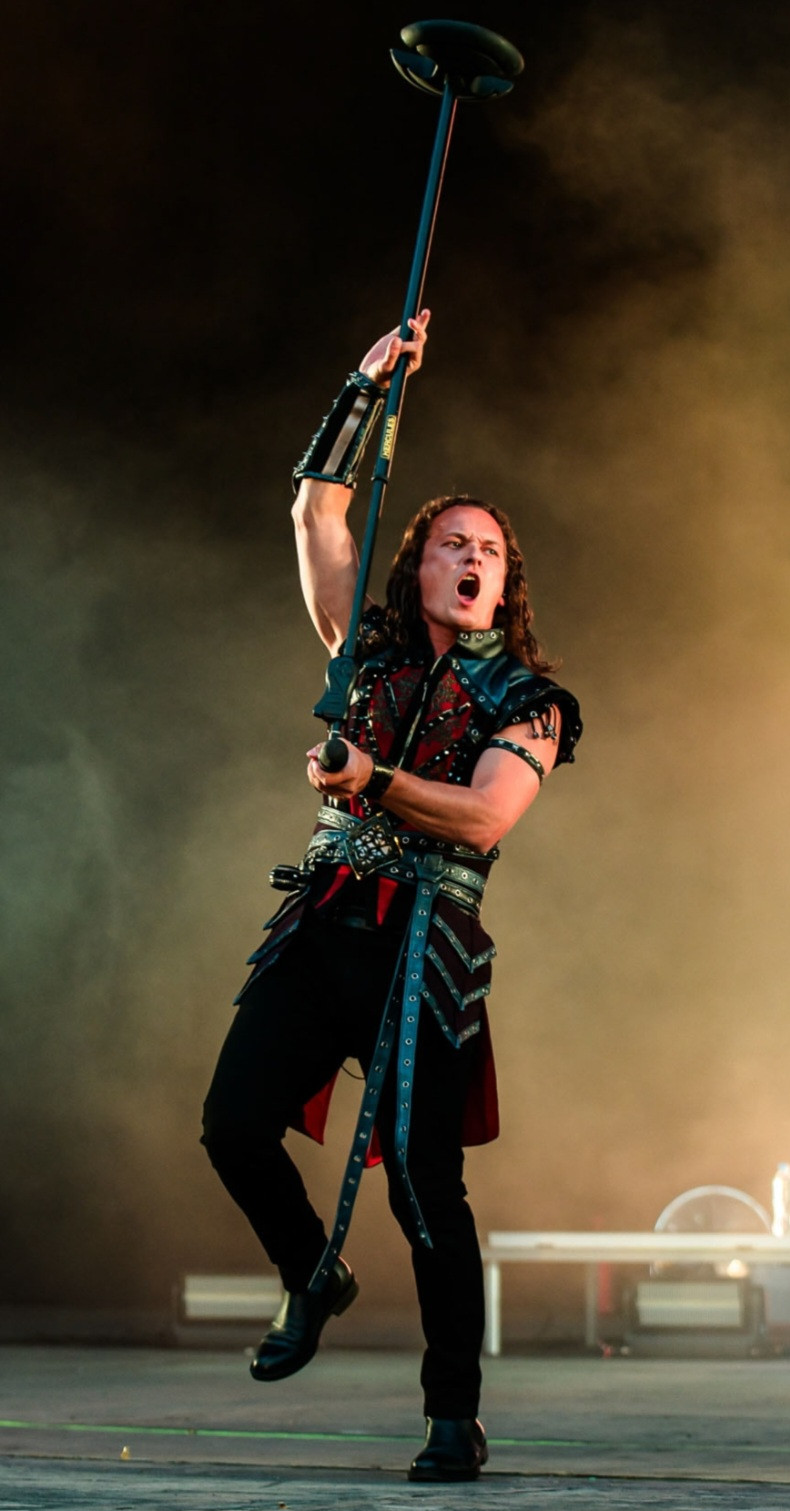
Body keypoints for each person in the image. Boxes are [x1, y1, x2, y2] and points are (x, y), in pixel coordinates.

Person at [202, 311, 582, 1482]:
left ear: (503, 582)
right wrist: (364, 386)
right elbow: (316, 512)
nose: (470, 558)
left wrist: (370, 778)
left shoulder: (531, 701)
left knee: (425, 1185)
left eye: (489, 551)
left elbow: (481, 816)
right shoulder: (362, 652)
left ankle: (451, 1412)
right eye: (448, 542)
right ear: (417, 564)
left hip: (425, 950)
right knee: (232, 1124)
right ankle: (311, 1271)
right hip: (325, 921)